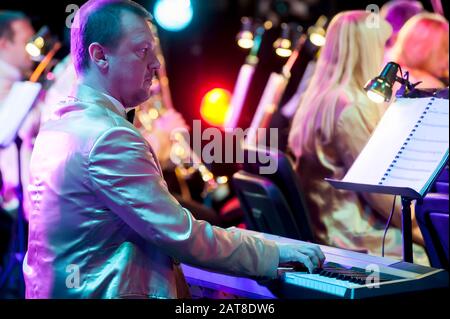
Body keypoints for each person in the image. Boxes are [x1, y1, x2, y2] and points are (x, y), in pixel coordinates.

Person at [23, 0, 324, 299]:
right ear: (100, 55)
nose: (155, 64)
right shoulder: (109, 136)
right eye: (142, 51)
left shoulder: (60, 123)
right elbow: (183, 236)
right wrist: (273, 254)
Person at [288, 10, 429, 265]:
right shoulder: (350, 107)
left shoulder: (320, 98)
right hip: (356, 241)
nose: (390, 52)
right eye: (384, 43)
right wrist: (431, 223)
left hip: (331, 228)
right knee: (435, 256)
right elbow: (386, 197)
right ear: (367, 48)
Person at [391, 12, 449, 88]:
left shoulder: (390, 75)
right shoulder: (428, 85)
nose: (447, 58)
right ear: (424, 49)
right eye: (446, 50)